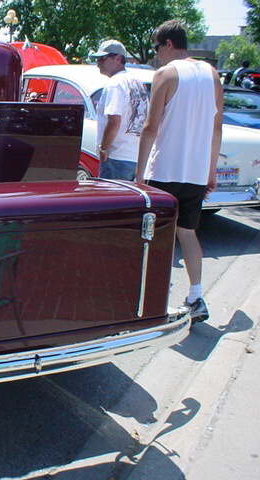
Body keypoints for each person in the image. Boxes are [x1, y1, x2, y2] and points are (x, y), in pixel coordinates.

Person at [136, 20, 223, 324]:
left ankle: (156, 301)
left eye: (157, 48)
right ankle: (196, 295)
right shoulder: (212, 75)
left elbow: (150, 127)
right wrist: (211, 171)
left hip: (164, 168)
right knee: (187, 233)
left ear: (168, 44)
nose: (157, 54)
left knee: (158, 237)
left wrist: (138, 175)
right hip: (196, 172)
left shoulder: (166, 74)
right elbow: (216, 127)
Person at [90, 39, 149, 180]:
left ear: (118, 58)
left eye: (102, 58)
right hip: (136, 157)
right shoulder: (137, 83)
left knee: (109, 200)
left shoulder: (115, 84)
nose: (98, 63)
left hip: (116, 158)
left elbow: (114, 120)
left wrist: (103, 148)